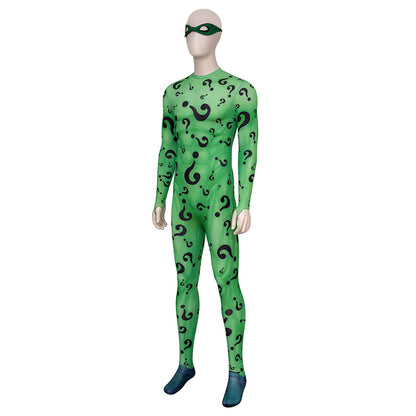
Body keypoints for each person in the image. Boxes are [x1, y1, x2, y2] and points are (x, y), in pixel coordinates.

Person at [152, 8, 258, 407]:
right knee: (184, 283)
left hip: (219, 202)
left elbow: (248, 148)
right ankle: (186, 363)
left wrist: (245, 202)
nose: (194, 35)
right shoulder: (173, 93)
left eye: (204, 28)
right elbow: (167, 146)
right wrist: (158, 196)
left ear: (218, 34)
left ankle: (236, 370)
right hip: (183, 203)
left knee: (226, 281)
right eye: (189, 29)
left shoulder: (240, 91)